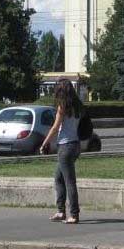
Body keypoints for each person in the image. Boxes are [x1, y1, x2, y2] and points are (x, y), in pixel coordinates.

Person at [39, 78, 83, 224]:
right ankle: (61, 211)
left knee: (69, 181)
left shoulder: (62, 107)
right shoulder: (78, 106)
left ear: (61, 91)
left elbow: (55, 127)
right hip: (76, 145)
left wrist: (44, 143)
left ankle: (74, 214)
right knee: (59, 178)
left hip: (65, 146)